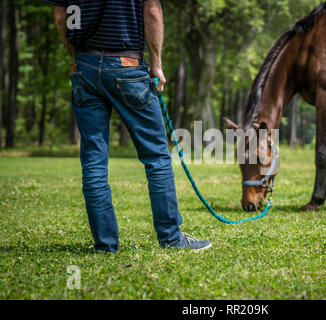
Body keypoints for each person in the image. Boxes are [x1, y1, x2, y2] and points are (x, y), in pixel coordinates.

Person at [42, 0, 211, 252]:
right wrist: (156, 64)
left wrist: (76, 53)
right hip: (127, 65)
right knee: (156, 156)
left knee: (93, 161)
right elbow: (152, 11)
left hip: (84, 67)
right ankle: (171, 238)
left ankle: (105, 244)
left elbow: (60, 16)